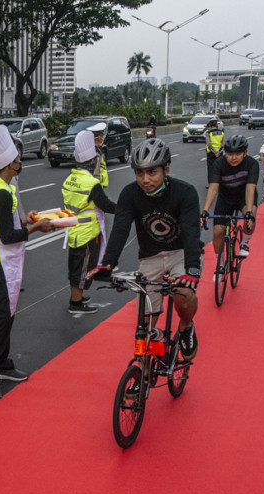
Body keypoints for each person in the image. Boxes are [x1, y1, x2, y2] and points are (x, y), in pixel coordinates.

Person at [87, 138, 201, 361]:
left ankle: (186, 326)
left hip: (181, 253)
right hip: (150, 256)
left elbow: (191, 233)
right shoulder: (130, 194)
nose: (145, 180)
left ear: (166, 170)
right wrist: (108, 263)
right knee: (146, 325)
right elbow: (120, 229)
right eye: (139, 173)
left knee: (182, 295)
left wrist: (193, 269)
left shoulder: (185, 192)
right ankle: (143, 372)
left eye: (152, 172)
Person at [0, 124, 55, 399]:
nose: (20, 160)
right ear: (9, 164)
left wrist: (26, 219)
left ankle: (3, 364)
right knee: (0, 317)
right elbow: (8, 236)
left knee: (7, 313)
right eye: (17, 157)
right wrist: (36, 227)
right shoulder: (3, 193)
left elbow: (3, 223)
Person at [63, 130, 116, 314]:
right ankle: (76, 303)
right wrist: (125, 209)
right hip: (87, 231)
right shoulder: (91, 183)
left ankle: (76, 297)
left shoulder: (70, 179)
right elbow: (106, 205)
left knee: (75, 266)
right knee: (84, 267)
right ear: (92, 161)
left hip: (74, 229)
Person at [202, 134, 258, 265]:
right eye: (230, 154)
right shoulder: (218, 164)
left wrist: (249, 212)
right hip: (225, 197)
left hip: (244, 196)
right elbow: (213, 188)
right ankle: (221, 264)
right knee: (218, 231)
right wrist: (205, 210)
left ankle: (244, 243)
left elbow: (250, 189)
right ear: (225, 153)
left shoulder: (252, 164)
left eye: (238, 154)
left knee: (250, 216)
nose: (233, 157)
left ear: (245, 153)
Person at [87, 121, 112, 262]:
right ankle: (99, 260)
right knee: (99, 228)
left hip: (98, 189)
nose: (102, 138)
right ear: (97, 138)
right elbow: (95, 174)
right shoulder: (95, 153)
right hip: (96, 191)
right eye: (101, 135)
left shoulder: (96, 151)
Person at [203, 119, 225, 187]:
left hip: (211, 153)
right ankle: (220, 183)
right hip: (220, 153)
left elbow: (209, 144)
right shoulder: (221, 132)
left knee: (211, 169)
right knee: (220, 168)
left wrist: (214, 152)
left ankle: (211, 184)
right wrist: (219, 151)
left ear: (210, 125)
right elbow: (223, 143)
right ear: (216, 125)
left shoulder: (208, 133)